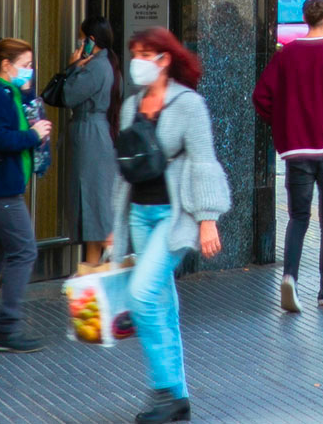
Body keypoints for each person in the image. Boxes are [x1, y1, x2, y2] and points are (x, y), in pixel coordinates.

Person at [112, 27, 230, 423]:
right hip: (139, 214)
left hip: (174, 217)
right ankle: (177, 397)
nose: (138, 62)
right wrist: (115, 225)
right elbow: (125, 169)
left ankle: (163, 389)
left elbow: (204, 162)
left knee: (142, 295)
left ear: (165, 60)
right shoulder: (131, 106)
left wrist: (207, 220)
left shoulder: (188, 104)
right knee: (160, 304)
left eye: (146, 54)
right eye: (135, 53)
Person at [253, 0, 323, 311]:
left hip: (297, 150)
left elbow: (261, 96)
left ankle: (290, 276)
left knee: (298, 217)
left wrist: (282, 122)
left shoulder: (287, 55)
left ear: (305, 19)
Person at [0, 38, 52, 353]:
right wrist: (33, 135)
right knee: (24, 251)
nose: (30, 71)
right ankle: (7, 325)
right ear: (6, 65)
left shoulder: (5, 92)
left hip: (1, 189)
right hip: (2, 192)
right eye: (25, 65)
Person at [59, 16, 121, 268]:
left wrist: (73, 68)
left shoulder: (96, 67)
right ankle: (92, 268)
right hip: (96, 133)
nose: (79, 42)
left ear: (91, 40)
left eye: (82, 38)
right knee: (95, 200)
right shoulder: (107, 63)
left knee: (93, 200)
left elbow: (69, 95)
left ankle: (112, 251)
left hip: (90, 136)